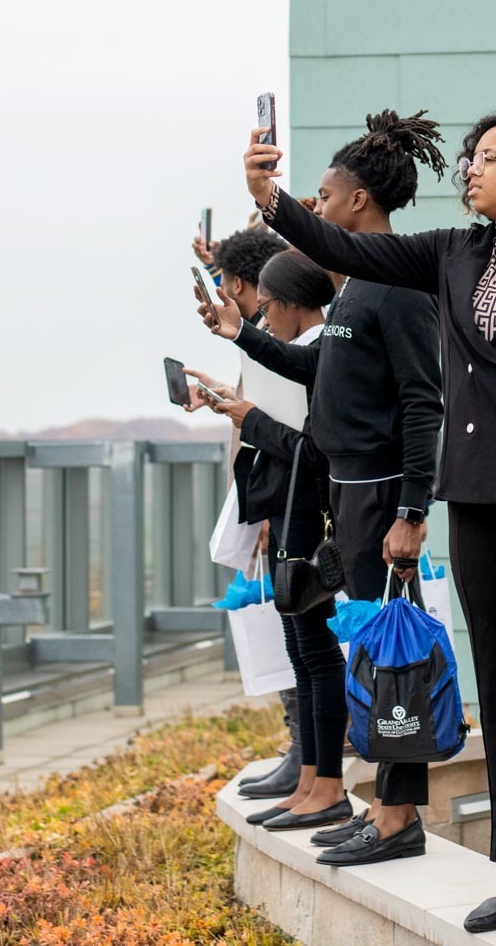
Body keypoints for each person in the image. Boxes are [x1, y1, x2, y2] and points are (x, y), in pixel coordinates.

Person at [245, 110, 496, 938]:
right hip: (478, 499)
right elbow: (348, 250)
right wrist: (270, 199)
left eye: (489, 158)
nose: (470, 168)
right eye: (470, 157)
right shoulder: (452, 251)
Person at [194, 109, 447, 866]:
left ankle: (398, 815)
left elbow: (422, 400)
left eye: (326, 193)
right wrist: (239, 333)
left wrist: (411, 510)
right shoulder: (354, 291)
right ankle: (379, 804)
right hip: (345, 496)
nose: (319, 203)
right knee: (364, 648)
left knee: (388, 653)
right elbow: (320, 372)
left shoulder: (395, 283)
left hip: (379, 497)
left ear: (360, 201)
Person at [188, 251, 354, 833]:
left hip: (310, 516)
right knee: (301, 651)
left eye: (267, 309)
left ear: (284, 305)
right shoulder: (295, 352)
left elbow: (317, 449)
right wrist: (236, 405)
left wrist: (249, 419)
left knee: (317, 652)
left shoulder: (321, 356)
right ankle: (310, 777)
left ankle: (326, 783)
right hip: (285, 515)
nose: (265, 322)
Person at [199, 226, 305, 801]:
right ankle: (302, 749)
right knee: (291, 630)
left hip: (283, 504)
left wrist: (263, 511)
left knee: (296, 632)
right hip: (273, 500)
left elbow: (281, 429)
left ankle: (307, 750)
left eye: (225, 284)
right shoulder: (266, 337)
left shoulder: (275, 341)